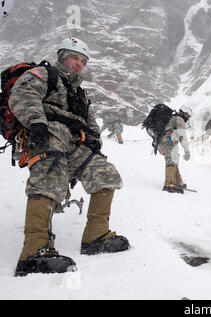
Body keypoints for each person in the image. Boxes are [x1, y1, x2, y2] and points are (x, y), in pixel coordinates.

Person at [9, 37, 130, 276]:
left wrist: (94, 139)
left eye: (83, 60)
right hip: (48, 133)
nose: (79, 63)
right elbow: (22, 93)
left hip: (74, 142)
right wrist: (36, 123)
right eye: (75, 58)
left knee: (106, 174)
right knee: (48, 178)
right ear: (63, 56)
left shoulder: (79, 93)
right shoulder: (45, 74)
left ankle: (96, 236)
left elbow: (91, 122)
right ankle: (34, 251)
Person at [157, 105, 192, 194]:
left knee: (174, 160)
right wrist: (187, 150)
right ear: (185, 114)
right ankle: (168, 184)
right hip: (169, 142)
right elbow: (182, 136)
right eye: (188, 116)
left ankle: (178, 182)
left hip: (167, 141)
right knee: (171, 160)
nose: (188, 119)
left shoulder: (174, 118)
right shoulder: (179, 120)